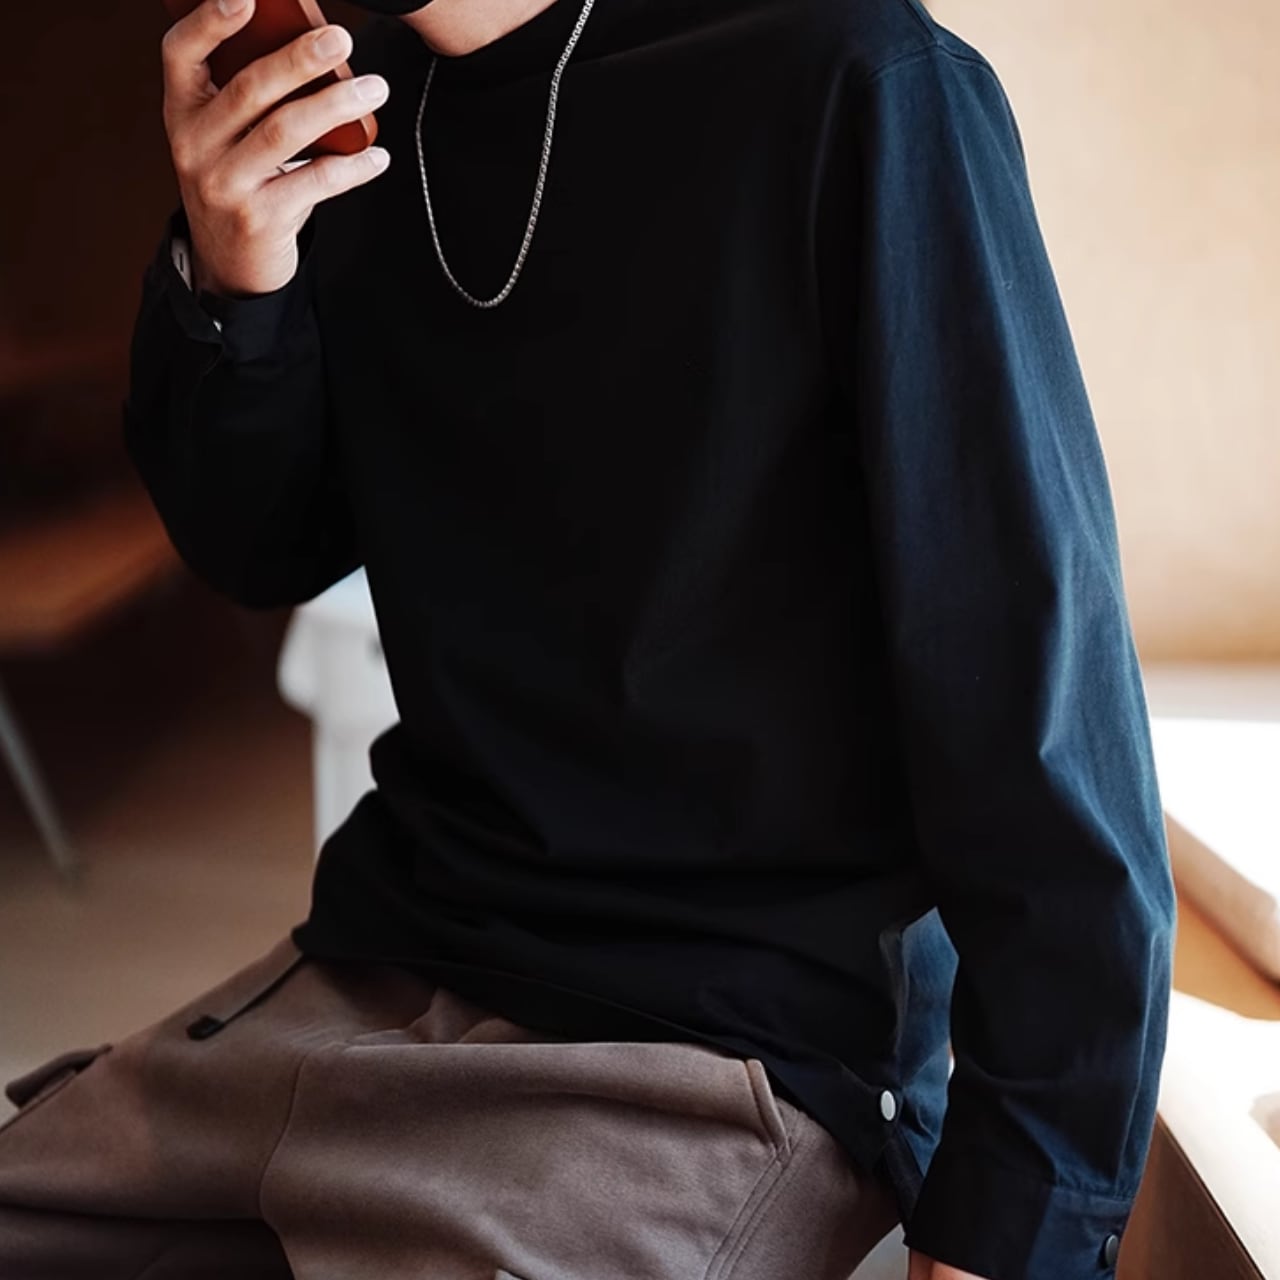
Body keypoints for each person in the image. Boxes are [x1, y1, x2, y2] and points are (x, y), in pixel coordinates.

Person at [0, 0, 1177, 1275]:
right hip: (366, 975)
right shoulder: (349, 106)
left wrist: (1019, 1216)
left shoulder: (856, 75)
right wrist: (235, 280)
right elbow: (262, 548)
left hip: (708, 1053)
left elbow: (1028, 675)